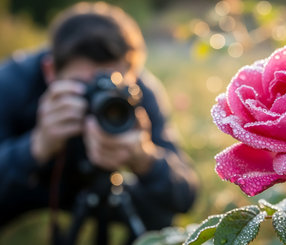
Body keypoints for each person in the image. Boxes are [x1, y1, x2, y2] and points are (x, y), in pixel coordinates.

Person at [0, 1, 198, 243]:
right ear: (50, 71)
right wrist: (36, 146)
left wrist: (144, 158)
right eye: (82, 87)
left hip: (108, 185)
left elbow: (185, 195)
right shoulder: (12, 83)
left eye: (110, 86)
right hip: (36, 183)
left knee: (159, 210)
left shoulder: (140, 92)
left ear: (134, 74)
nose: (97, 100)